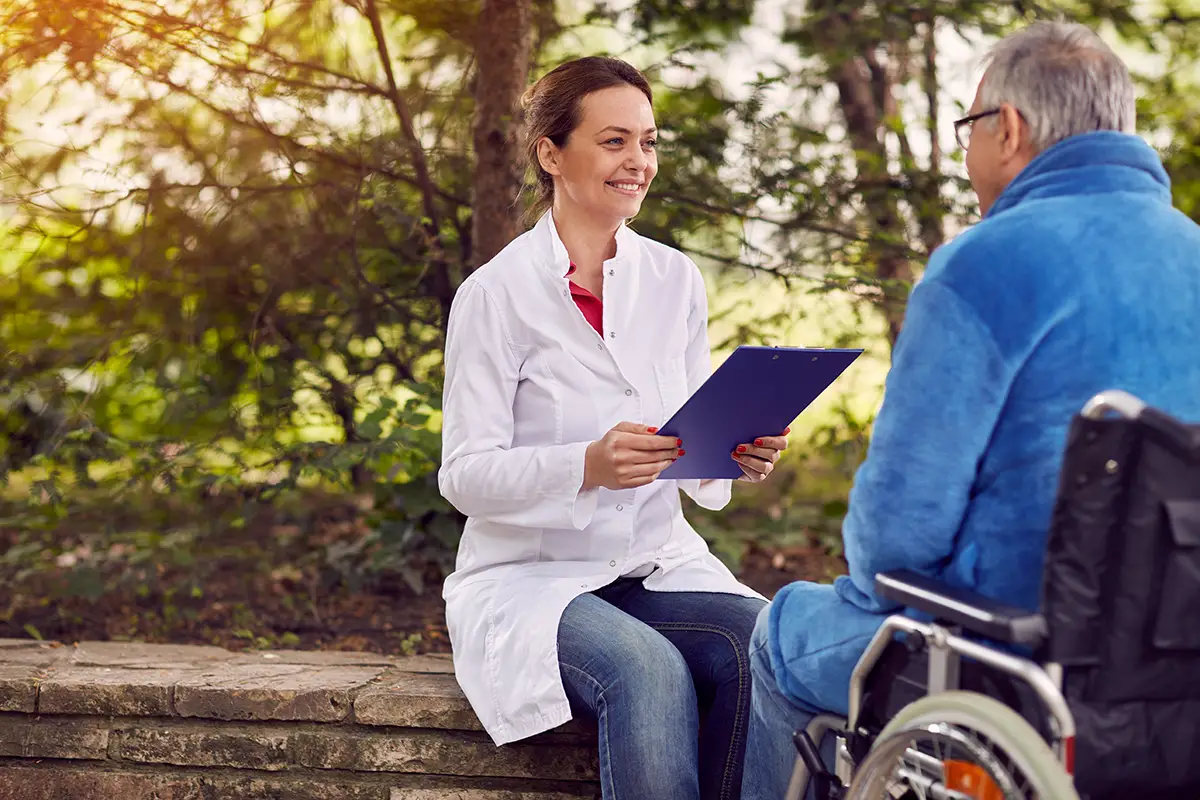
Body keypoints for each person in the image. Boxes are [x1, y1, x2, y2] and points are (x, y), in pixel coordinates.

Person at [740, 20, 1200, 799]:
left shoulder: (985, 263)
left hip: (1011, 660)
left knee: (780, 633)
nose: (964, 152)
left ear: (1010, 130)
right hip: (1177, 672)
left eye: (969, 127)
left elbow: (893, 546)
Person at [438, 56, 787, 800]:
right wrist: (585, 466)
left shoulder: (674, 280)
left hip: (655, 565)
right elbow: (464, 474)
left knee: (765, 645)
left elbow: (690, 449)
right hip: (534, 580)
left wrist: (736, 450)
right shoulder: (495, 296)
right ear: (550, 154)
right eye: (615, 141)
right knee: (646, 667)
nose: (639, 162)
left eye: (649, 142)